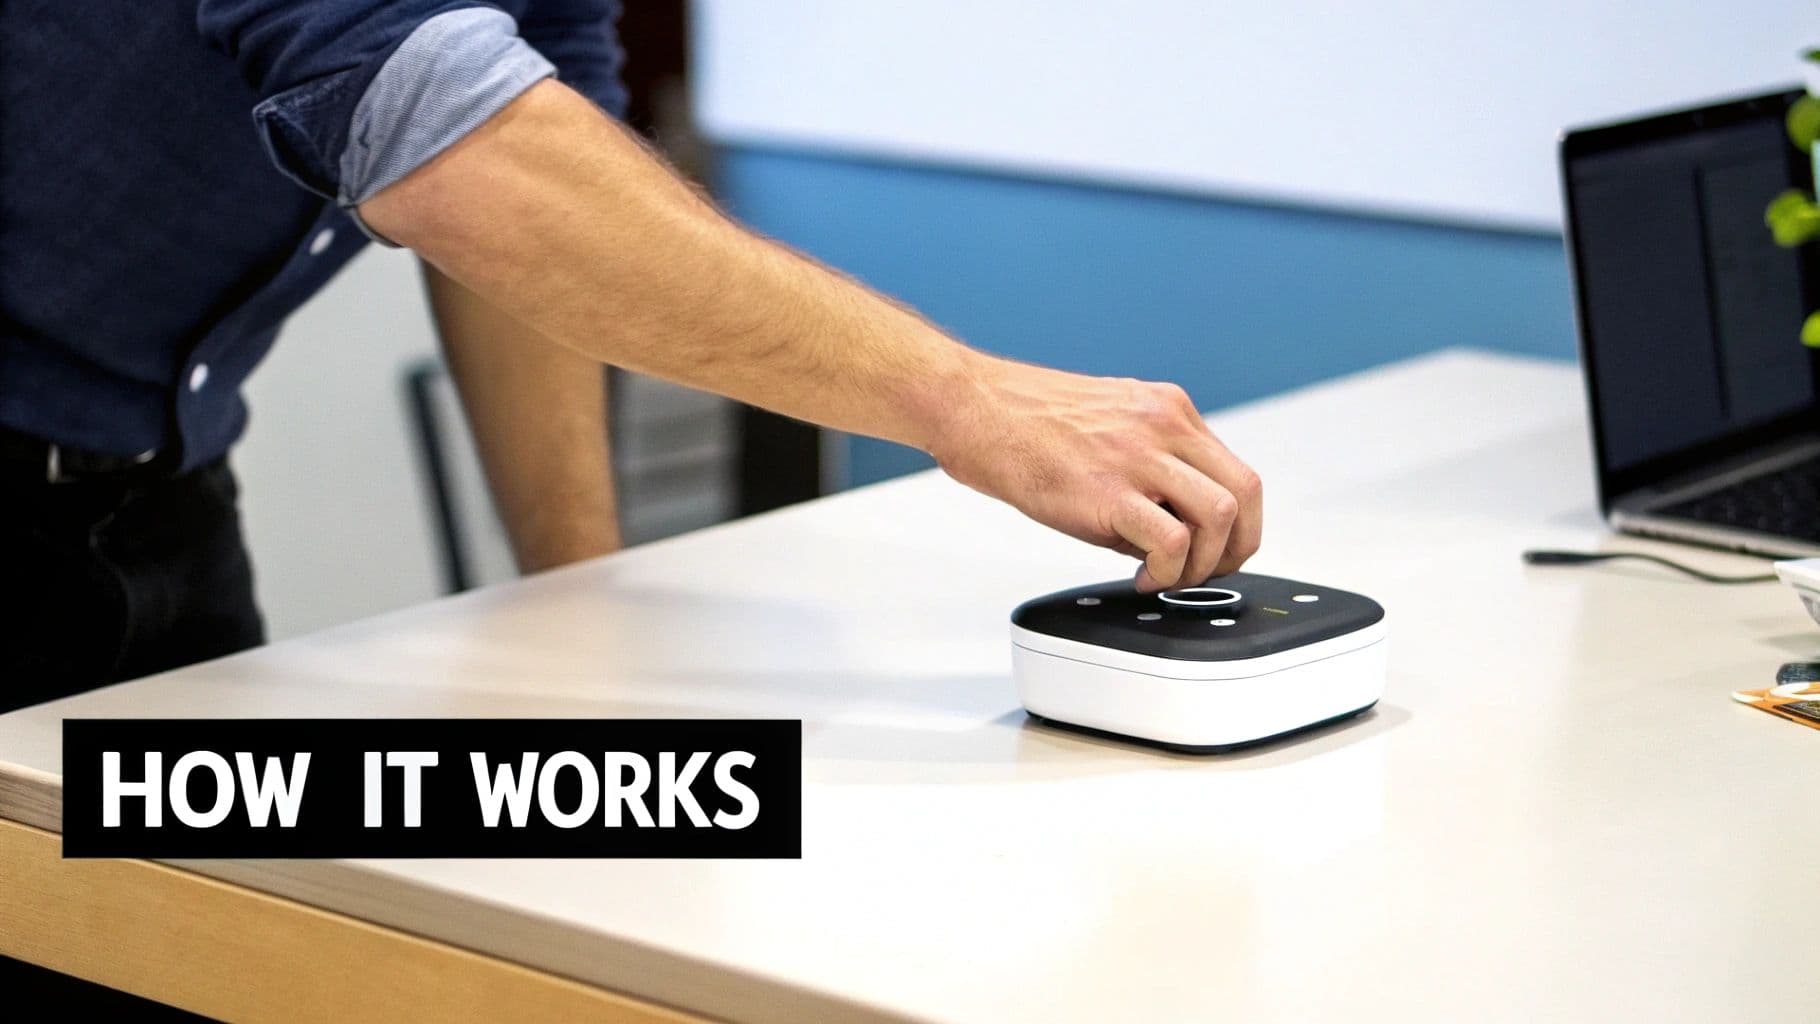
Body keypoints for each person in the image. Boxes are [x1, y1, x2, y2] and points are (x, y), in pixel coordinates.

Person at [0, 1, 1261, 712]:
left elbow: (533, 190)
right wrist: (967, 399)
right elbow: (459, 153)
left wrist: (578, 605)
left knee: (185, 945)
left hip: (152, 499)